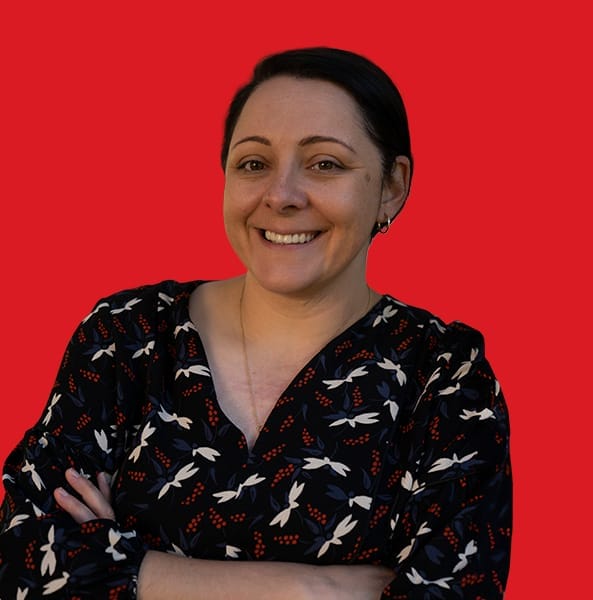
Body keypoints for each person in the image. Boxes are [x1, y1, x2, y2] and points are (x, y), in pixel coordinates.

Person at [0, 47, 511, 598]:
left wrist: (126, 567)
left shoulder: (442, 375)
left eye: (325, 164)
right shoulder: (127, 337)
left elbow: (456, 590)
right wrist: (322, 590)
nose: (281, 195)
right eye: (253, 163)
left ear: (392, 186)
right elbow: (23, 562)